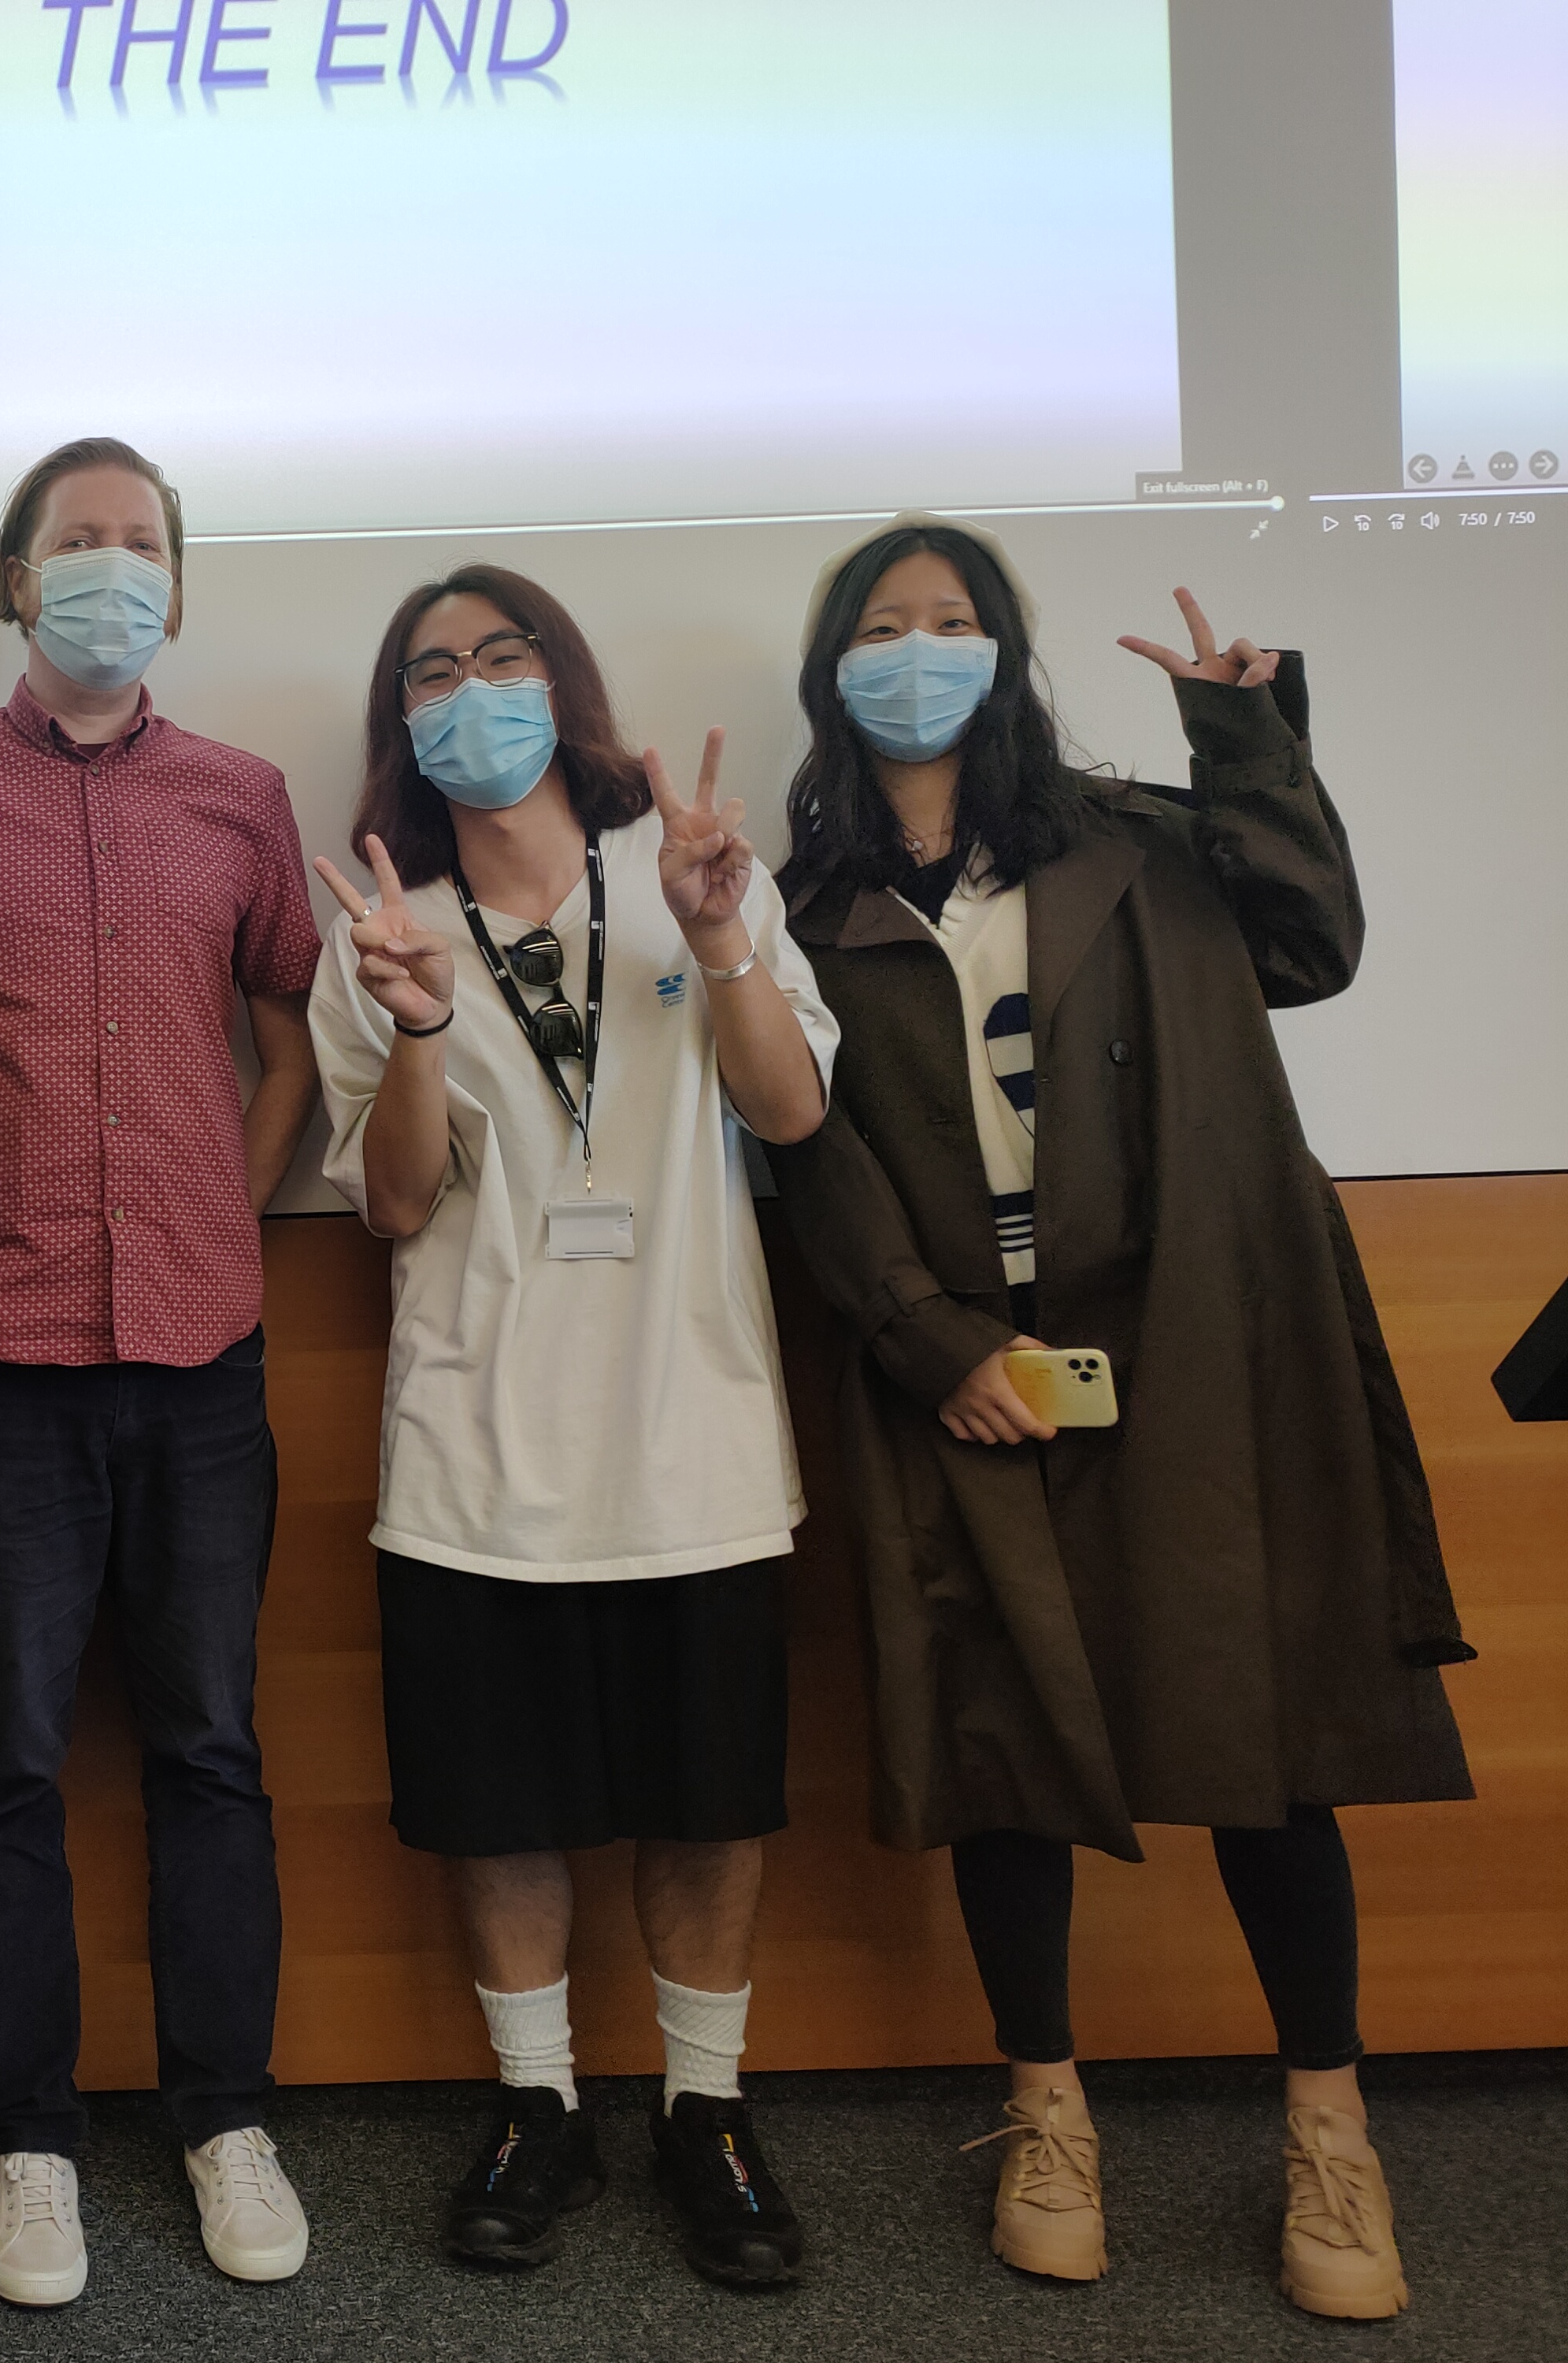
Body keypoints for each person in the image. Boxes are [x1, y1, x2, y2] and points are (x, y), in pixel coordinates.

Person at [765, 515, 1475, 2319]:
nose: (914, 652)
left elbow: (1310, 945)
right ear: (830, 670)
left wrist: (1244, 736)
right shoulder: (798, 907)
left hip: (1194, 1341)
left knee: (1259, 1739)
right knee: (1002, 1737)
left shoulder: (1137, 841)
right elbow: (805, 1150)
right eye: (878, 626)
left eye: (949, 621)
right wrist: (924, 1342)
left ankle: (1328, 2126)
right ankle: (1044, 2111)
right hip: (961, 1362)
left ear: (1003, 656)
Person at [0, 437, 323, 2306]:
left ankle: (223, 2120)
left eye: (141, 543)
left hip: (202, 1359)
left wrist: (220, 1210)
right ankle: (28, 2143)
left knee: (209, 1748)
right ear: (15, 578)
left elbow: (286, 1046)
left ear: (174, 587)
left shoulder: (242, 797)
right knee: (8, 1759)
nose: (111, 567)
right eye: (75, 541)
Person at [309, 565, 835, 2290]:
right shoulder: (382, 927)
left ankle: (706, 2108)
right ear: (402, 724)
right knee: (499, 1807)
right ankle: (537, 2102)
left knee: (707, 1798)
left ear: (563, 683)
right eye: (432, 672)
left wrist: (718, 937)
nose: (471, 691)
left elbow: (788, 1108)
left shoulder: (686, 873)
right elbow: (395, 1204)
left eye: (501, 655)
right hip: (476, 1446)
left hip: (693, 1431)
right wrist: (415, 1026)